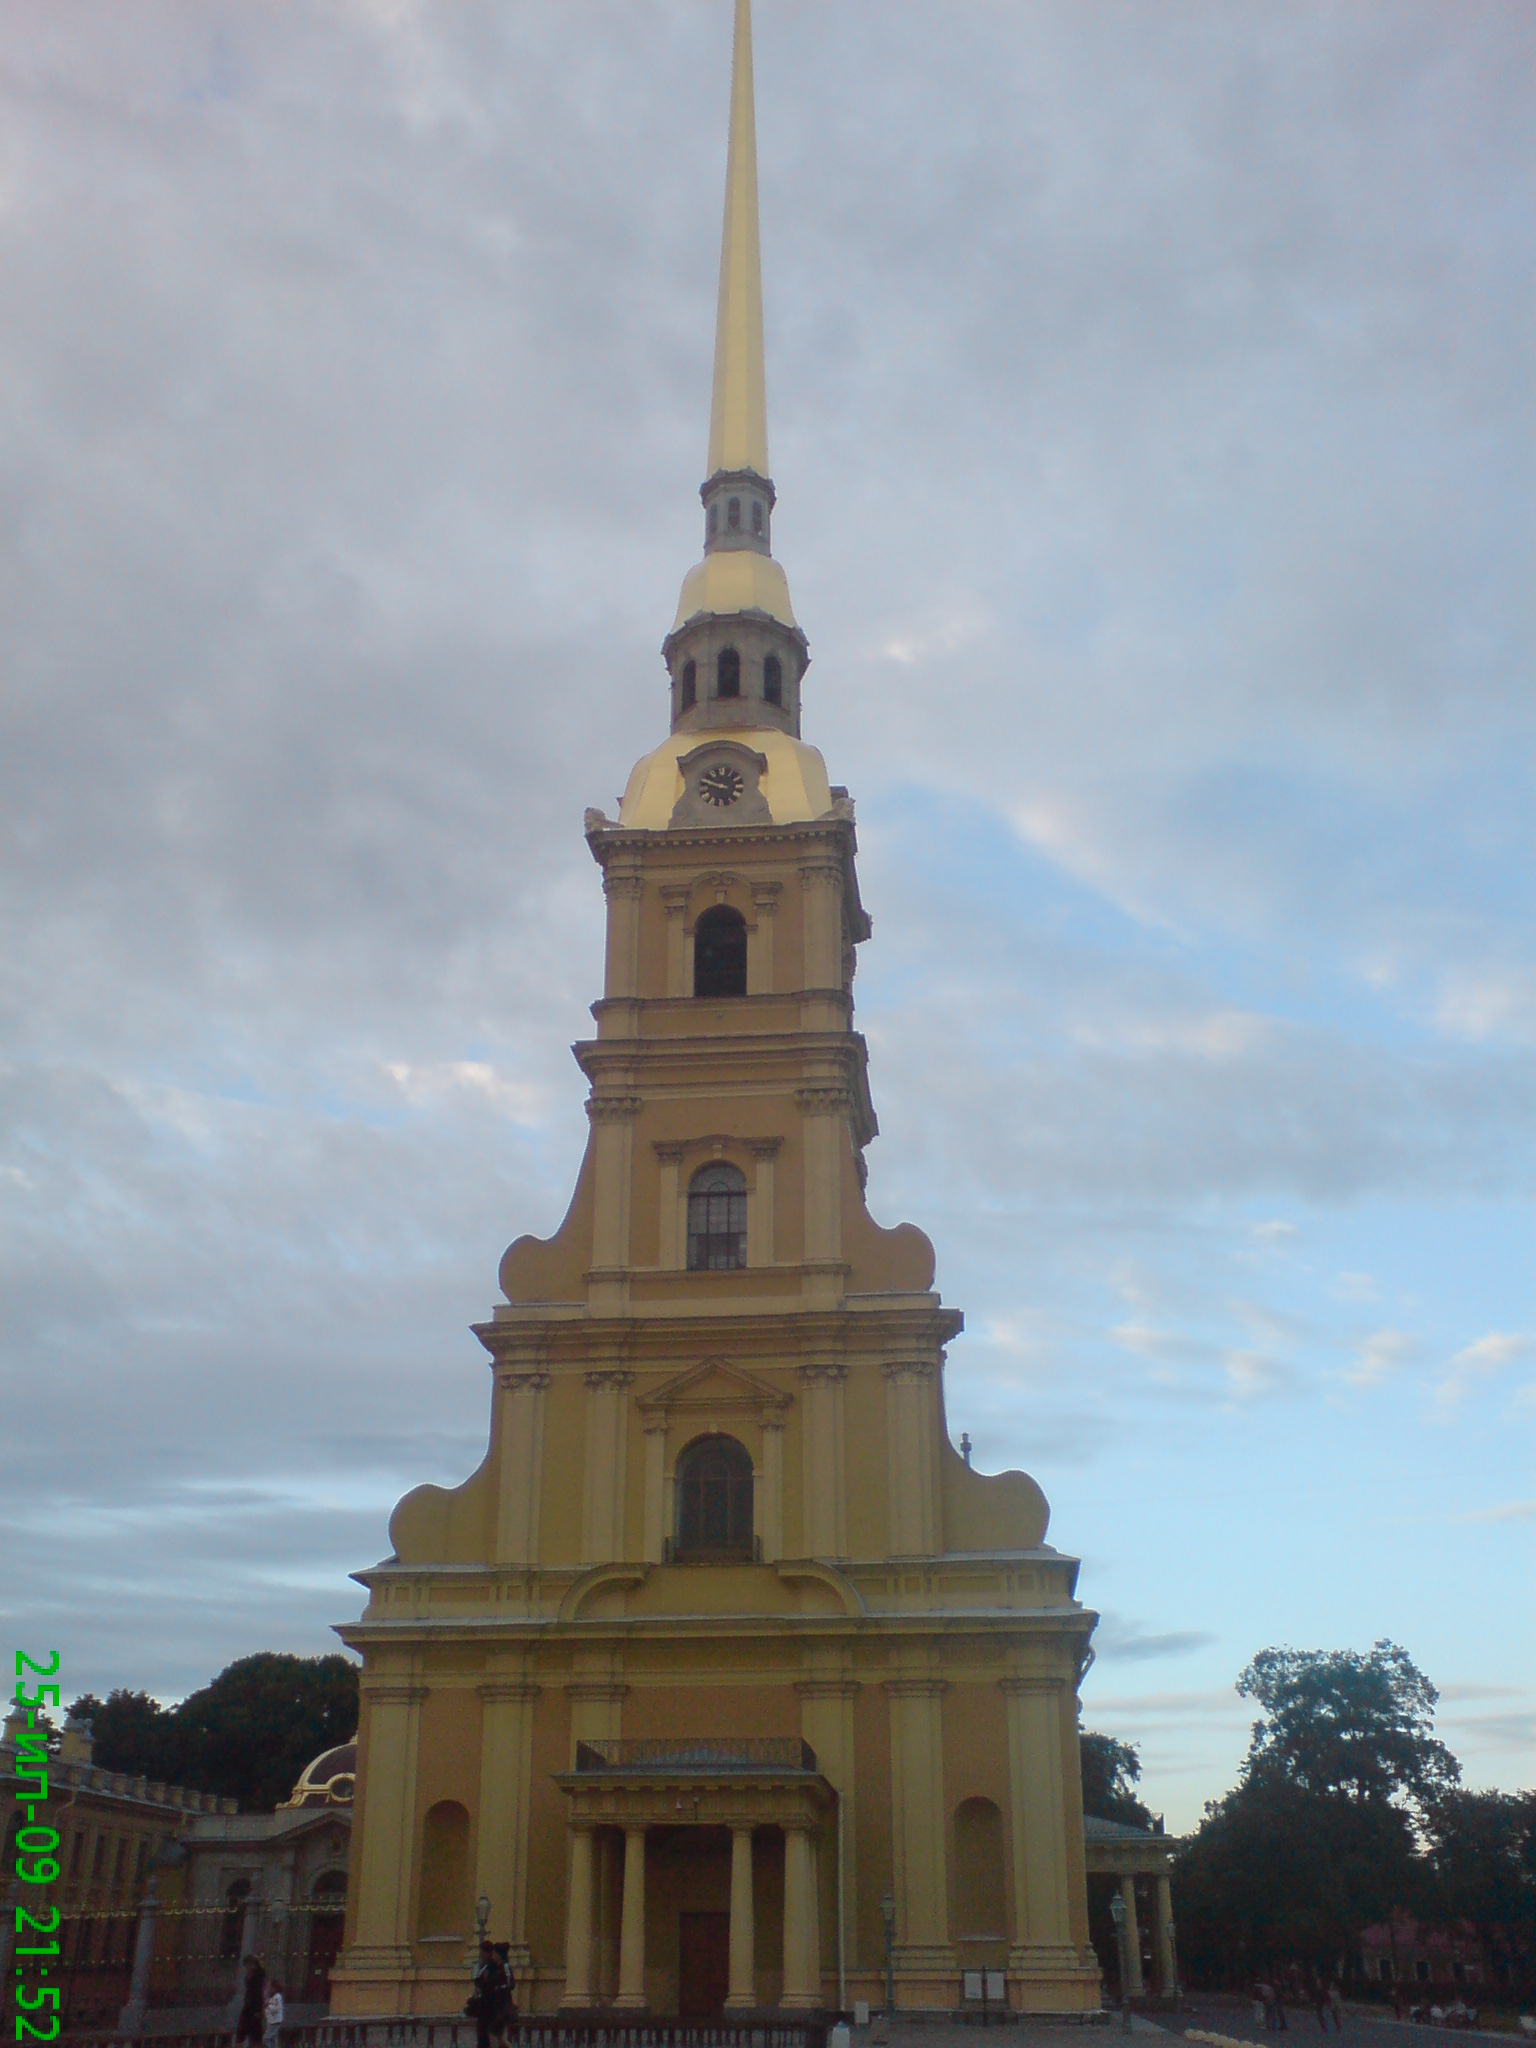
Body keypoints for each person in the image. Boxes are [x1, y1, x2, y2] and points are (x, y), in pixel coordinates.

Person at [469, 1939, 501, 2048]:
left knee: (485, 2033)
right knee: (482, 2033)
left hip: (489, 2005)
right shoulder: (484, 1966)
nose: (481, 1955)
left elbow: (488, 1983)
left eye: (482, 1952)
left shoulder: (492, 1966)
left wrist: (482, 1982)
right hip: (484, 2005)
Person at [235, 1956, 266, 2048]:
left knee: (251, 2030)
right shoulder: (255, 1975)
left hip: (253, 2007)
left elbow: (257, 1993)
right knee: (247, 2029)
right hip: (251, 2006)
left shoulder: (257, 1976)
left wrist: (257, 2010)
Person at [263, 1980, 284, 2048]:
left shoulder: (277, 1997)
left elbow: (277, 2008)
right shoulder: (271, 1997)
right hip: (271, 2021)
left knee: (266, 2038)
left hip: (275, 2021)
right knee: (273, 2040)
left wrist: (268, 2006)